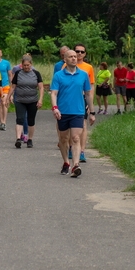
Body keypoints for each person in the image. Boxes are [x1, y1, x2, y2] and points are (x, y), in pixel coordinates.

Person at [50, 48, 94, 178]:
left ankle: (76, 165)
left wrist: (92, 112)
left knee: (75, 138)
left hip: (78, 111)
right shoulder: (58, 75)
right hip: (62, 112)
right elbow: (53, 93)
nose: (74, 58)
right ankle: (66, 162)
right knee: (64, 139)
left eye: (75, 56)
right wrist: (55, 108)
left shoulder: (83, 75)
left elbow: (88, 94)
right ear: (65, 59)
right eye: (71, 56)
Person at [8, 55, 44, 148]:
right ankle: (18, 139)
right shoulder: (18, 73)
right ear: (22, 65)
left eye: (28, 65)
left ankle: (30, 139)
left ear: (31, 64)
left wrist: (40, 99)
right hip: (20, 100)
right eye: (24, 65)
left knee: (31, 120)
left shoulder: (36, 73)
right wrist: (8, 96)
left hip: (33, 100)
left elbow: (41, 87)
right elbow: (13, 86)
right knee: (19, 119)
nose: (26, 67)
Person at [74, 44, 96, 163]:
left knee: (82, 124)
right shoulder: (66, 65)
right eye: (77, 51)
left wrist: (90, 103)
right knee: (69, 126)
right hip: (70, 98)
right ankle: (71, 148)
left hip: (83, 97)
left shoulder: (88, 67)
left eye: (82, 52)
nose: (79, 54)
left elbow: (91, 87)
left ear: (85, 54)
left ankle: (82, 151)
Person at [0, 48, 13, 131]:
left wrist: (11, 85)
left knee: (4, 102)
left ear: (1, 54)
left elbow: (10, 74)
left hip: (5, 85)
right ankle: (1, 122)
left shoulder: (6, 63)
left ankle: (4, 122)